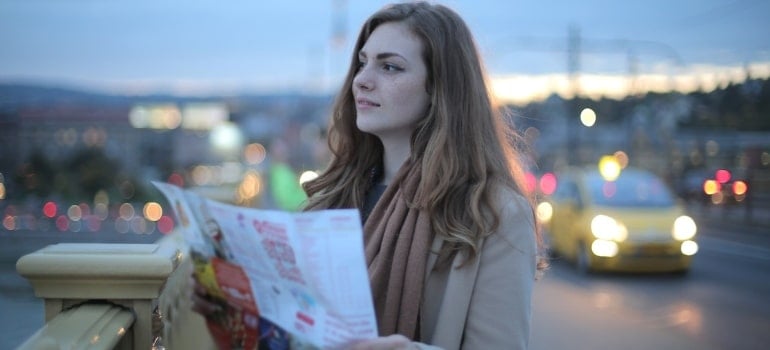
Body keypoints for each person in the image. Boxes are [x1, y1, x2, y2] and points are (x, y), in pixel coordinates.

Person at [192, 2, 547, 349]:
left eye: (389, 67)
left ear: (440, 90)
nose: (362, 80)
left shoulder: (494, 213)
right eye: (362, 63)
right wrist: (240, 314)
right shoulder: (333, 200)